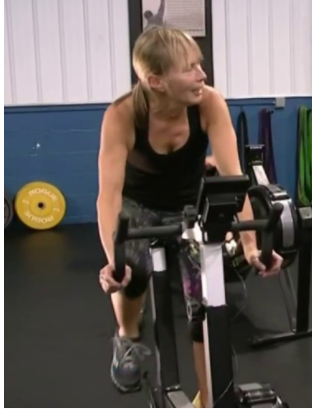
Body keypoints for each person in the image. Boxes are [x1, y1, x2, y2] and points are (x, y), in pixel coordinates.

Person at [95, 26, 283, 408]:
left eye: (200, 65)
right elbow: (108, 197)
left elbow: (234, 180)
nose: (203, 75)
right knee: (133, 269)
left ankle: (211, 399)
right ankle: (127, 337)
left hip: (189, 209)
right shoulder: (123, 115)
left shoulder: (210, 103)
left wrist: (250, 245)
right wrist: (113, 260)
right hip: (138, 207)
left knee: (205, 304)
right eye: (190, 68)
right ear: (156, 81)